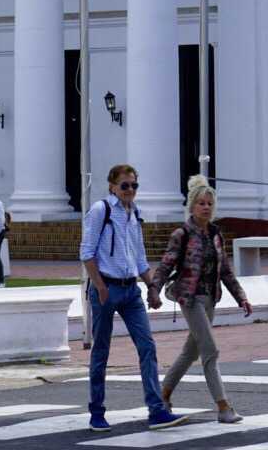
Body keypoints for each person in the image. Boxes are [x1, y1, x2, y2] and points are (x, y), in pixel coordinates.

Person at [80, 164, 185, 432]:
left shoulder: (134, 212)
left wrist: (152, 288)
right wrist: (100, 287)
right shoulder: (101, 210)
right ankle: (97, 412)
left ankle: (156, 410)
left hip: (130, 290)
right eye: (124, 185)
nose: (130, 190)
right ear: (112, 186)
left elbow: (139, 257)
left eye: (134, 185)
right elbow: (87, 252)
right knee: (101, 350)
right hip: (106, 288)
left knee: (147, 346)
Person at [149, 176, 253, 424]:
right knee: (210, 350)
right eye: (201, 203)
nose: (206, 207)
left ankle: (162, 396)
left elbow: (225, 271)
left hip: (210, 299)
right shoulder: (182, 234)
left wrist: (241, 298)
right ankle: (223, 407)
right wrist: (154, 290)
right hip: (190, 299)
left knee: (190, 353)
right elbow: (165, 265)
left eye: (209, 203)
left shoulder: (216, 234)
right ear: (192, 206)